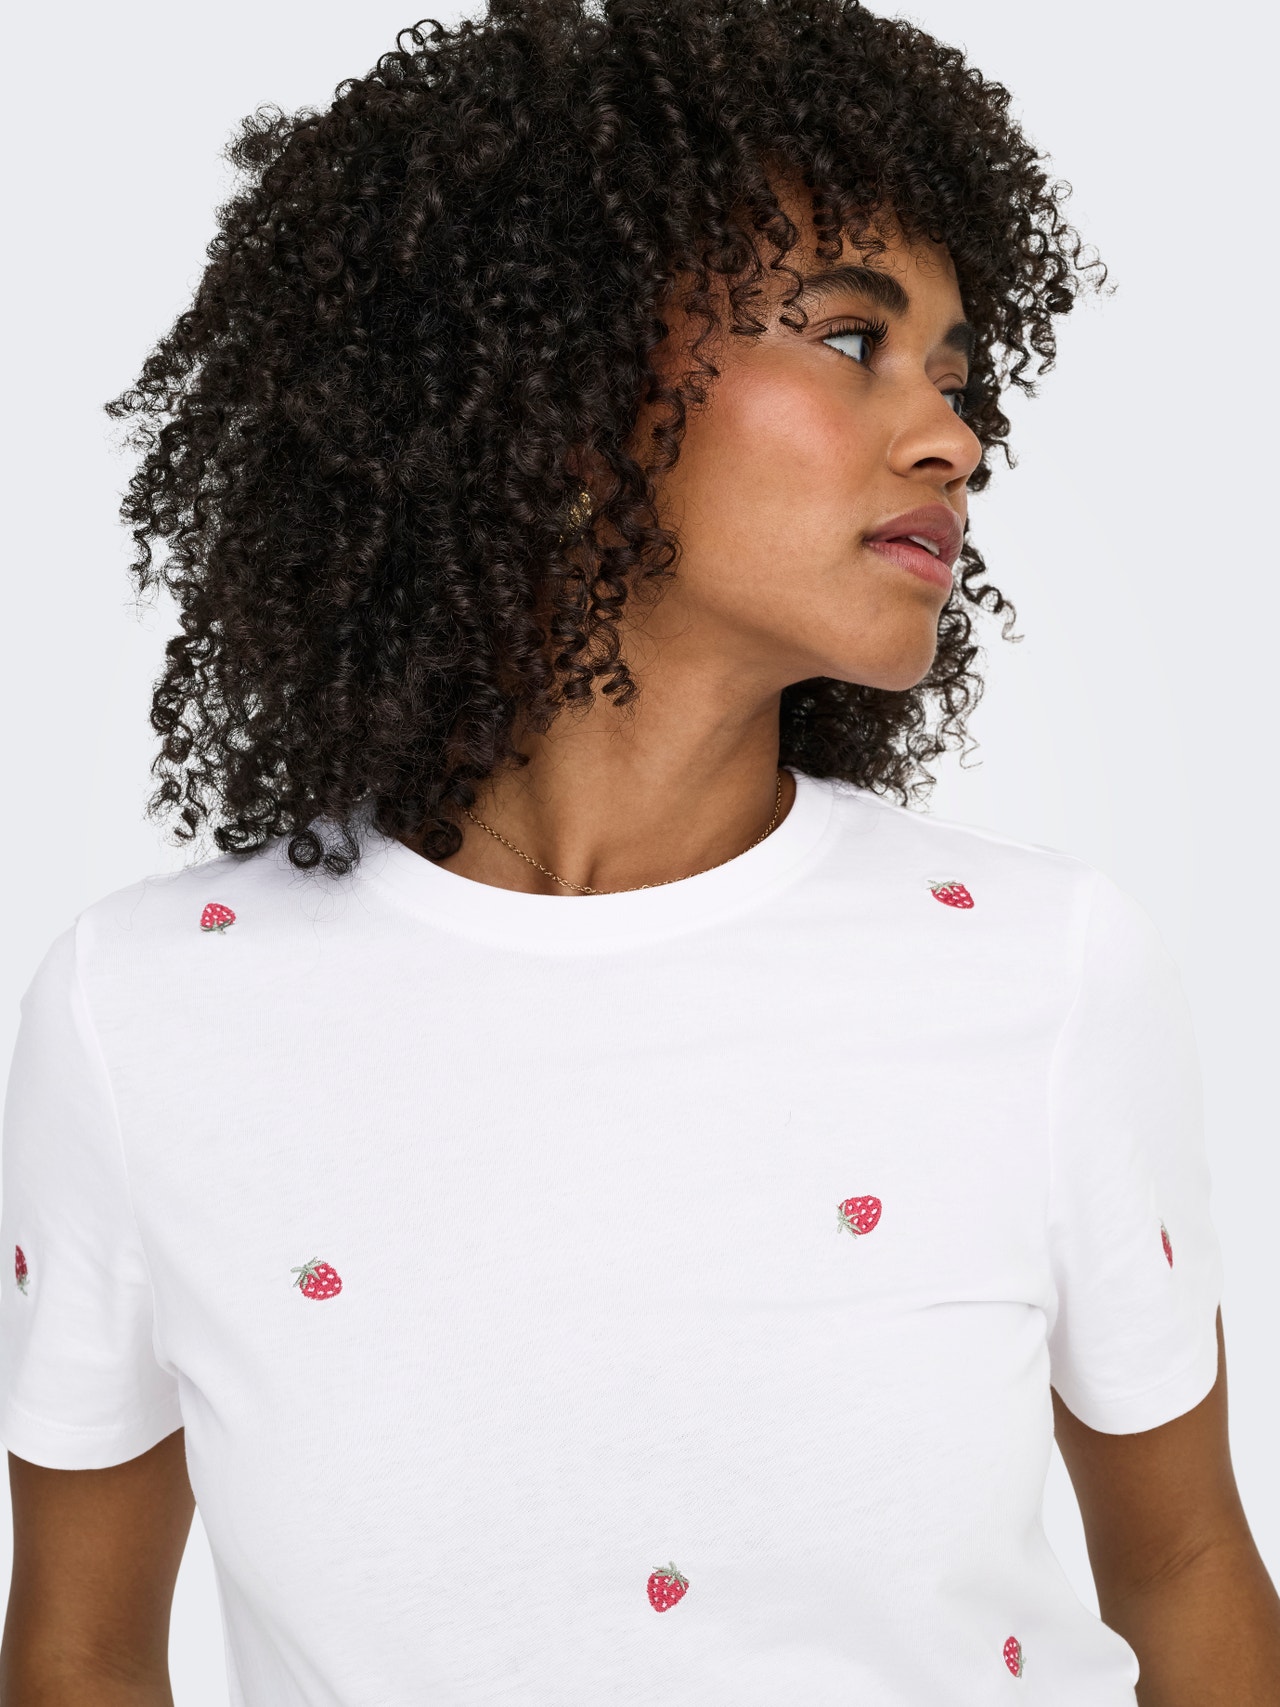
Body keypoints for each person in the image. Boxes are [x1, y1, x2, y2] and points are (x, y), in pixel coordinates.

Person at [1, 1, 1277, 1701]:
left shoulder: (1043, 967)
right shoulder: (144, 1009)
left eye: (959, 378)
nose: (952, 440)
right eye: (852, 338)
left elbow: (1187, 1572)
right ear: (567, 376)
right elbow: (82, 1649)